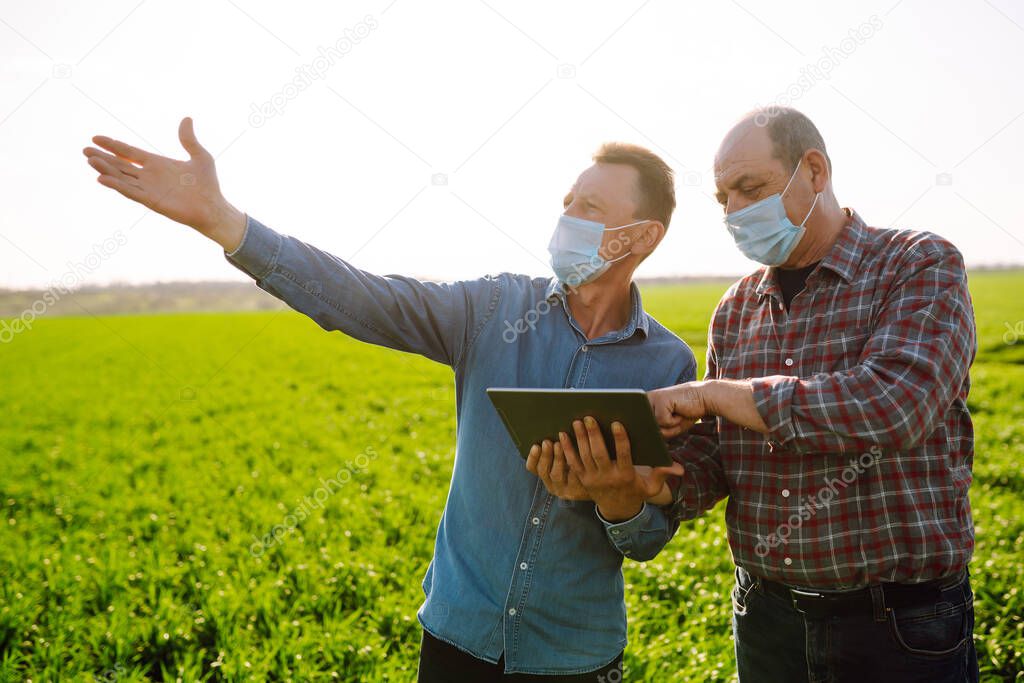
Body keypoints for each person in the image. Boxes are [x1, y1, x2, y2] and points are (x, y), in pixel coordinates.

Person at [82, 121, 697, 681]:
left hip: (575, 657)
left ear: (641, 236)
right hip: (458, 641)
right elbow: (360, 298)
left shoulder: (669, 366)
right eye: (567, 203)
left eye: (588, 208)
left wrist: (618, 502)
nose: (568, 218)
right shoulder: (493, 309)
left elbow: (647, 540)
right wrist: (223, 220)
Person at [532, 107, 979, 682]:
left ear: (814, 170)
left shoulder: (915, 264)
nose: (736, 212)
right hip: (767, 619)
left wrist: (711, 395)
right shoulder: (737, 308)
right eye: (723, 199)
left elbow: (892, 405)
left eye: (751, 189)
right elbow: (718, 456)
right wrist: (650, 485)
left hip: (898, 623)